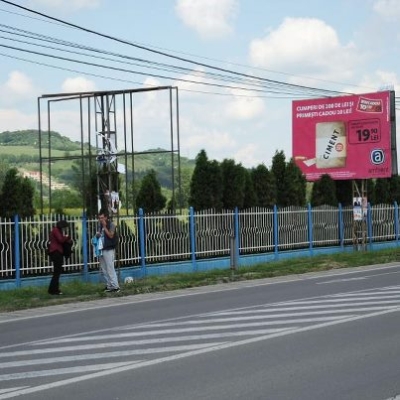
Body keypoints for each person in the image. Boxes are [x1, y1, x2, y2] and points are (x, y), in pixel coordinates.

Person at [97, 210, 120, 293]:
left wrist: (105, 227)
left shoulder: (111, 225)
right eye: (99, 218)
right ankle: (109, 285)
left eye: (102, 218)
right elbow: (100, 235)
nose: (101, 219)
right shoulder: (100, 226)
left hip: (109, 249)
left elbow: (111, 235)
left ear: (106, 217)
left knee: (110, 268)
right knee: (104, 269)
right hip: (101, 249)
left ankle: (115, 286)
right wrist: (98, 235)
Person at [48, 219, 72, 295]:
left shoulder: (57, 230)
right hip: (56, 252)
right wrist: (66, 237)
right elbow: (60, 240)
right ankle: (54, 290)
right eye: (64, 227)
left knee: (57, 272)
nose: (64, 229)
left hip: (57, 252)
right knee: (57, 272)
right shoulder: (56, 230)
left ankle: (52, 289)